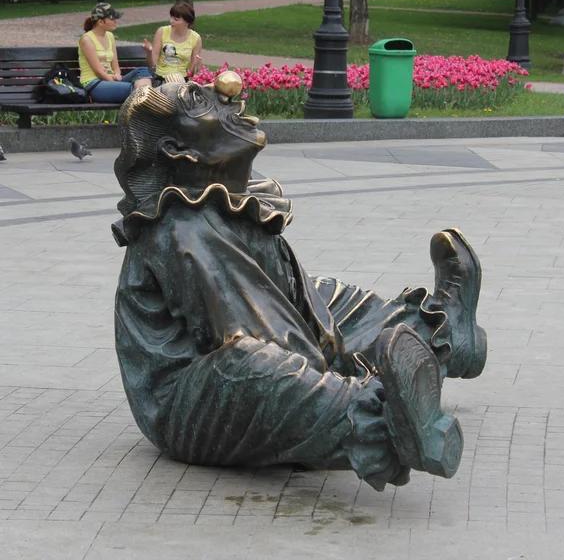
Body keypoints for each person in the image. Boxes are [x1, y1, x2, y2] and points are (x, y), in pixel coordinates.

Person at [112, 73, 487, 492]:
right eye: (200, 102)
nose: (229, 91)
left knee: (329, 298)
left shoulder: (226, 203)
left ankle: (449, 334)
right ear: (176, 149)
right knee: (254, 364)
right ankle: (388, 421)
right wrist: (340, 371)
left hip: (273, 352)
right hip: (188, 403)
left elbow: (287, 316)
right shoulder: (180, 229)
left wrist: (330, 334)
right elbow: (260, 336)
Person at [79, 3, 152, 103]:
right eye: (112, 19)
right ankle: (146, 101)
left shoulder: (110, 36)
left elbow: (115, 66)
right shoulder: (87, 39)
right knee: (137, 90)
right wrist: (113, 80)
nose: (115, 21)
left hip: (110, 80)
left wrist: (117, 74)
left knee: (142, 71)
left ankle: (144, 100)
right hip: (94, 84)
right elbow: (98, 71)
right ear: (101, 22)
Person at [143, 3, 203, 84]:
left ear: (187, 22)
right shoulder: (162, 31)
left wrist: (197, 65)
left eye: (176, 19)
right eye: (171, 17)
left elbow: (191, 72)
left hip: (181, 79)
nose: (171, 21)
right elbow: (152, 64)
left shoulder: (196, 38)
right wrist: (149, 52)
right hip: (160, 78)